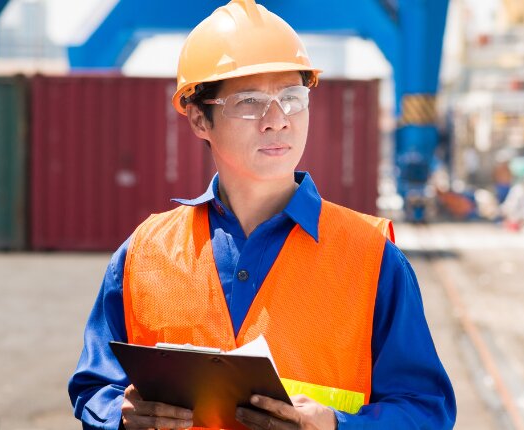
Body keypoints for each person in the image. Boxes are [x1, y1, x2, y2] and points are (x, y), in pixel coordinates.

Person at [67, 1, 456, 429]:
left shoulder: (372, 257)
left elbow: (426, 410)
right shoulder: (144, 255)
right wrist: (120, 417)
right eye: (250, 102)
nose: (277, 121)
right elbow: (94, 387)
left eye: (292, 98)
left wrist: (335, 426)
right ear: (199, 119)